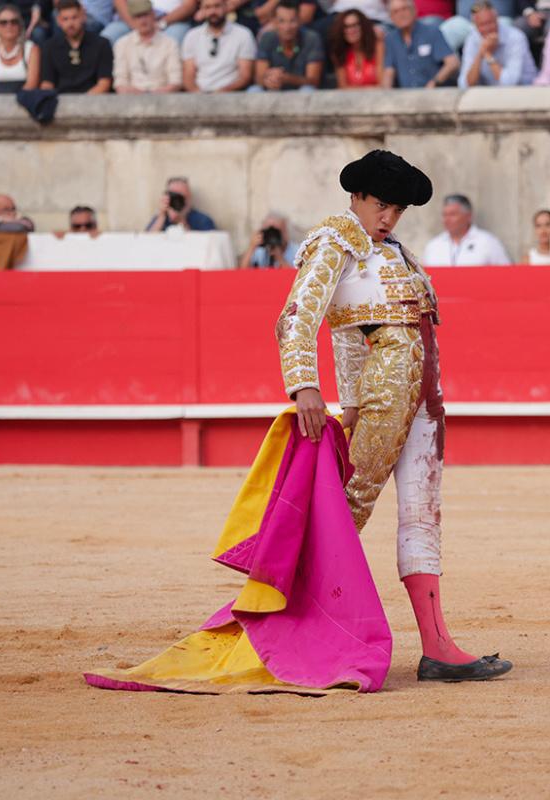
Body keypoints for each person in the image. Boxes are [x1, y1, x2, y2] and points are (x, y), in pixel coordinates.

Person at [276, 149, 514, 682]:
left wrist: (350, 398)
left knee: (422, 516)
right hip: (387, 396)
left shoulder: (394, 251)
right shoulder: (334, 240)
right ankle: (294, 628)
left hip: (424, 397)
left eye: (398, 209)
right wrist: (306, 386)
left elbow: (349, 329)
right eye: (380, 205)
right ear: (356, 198)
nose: (388, 218)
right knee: (345, 511)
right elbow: (298, 316)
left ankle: (438, 646)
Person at [40, 0, 114, 93]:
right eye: (65, 19)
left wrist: (81, 104)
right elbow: (47, 83)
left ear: (83, 16)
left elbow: (104, 83)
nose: (70, 24)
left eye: (74, 17)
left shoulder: (102, 44)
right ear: (58, 21)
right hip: (60, 103)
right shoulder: (49, 46)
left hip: (95, 102)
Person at [180, 0, 255, 92]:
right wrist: (199, 95)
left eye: (217, 6)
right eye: (208, 7)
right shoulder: (191, 36)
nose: (213, 12)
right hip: (199, 97)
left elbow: (245, 76)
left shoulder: (243, 34)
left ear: (226, 7)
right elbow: (188, 76)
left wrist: (221, 93)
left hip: (232, 95)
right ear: (201, 10)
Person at [459, 0, 537, 87]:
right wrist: (480, 54)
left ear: (497, 19)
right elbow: (464, 84)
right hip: (492, 93)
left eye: (490, 23)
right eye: (482, 25)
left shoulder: (515, 37)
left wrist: (488, 54)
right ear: (475, 25)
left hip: (525, 91)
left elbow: (510, 83)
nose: (487, 29)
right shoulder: (472, 39)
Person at [382, 0, 459, 88]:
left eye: (404, 9)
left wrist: (434, 82)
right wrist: (386, 94)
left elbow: (452, 63)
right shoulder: (391, 39)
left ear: (414, 10)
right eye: (396, 12)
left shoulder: (431, 32)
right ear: (391, 17)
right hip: (406, 96)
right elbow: (389, 72)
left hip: (434, 94)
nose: (401, 14)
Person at [251, 0, 323, 91]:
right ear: (274, 22)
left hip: (300, 92)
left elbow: (314, 81)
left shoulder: (312, 38)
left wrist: (287, 78)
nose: (287, 27)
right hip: (273, 89)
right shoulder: (267, 38)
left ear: (299, 21)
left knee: (307, 90)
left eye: (292, 21)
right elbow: (258, 78)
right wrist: (269, 79)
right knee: (254, 90)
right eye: (282, 21)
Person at [421, 194, 512, 266]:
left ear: (468, 216)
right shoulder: (433, 245)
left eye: (453, 214)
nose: (447, 219)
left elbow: (505, 274)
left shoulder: (488, 242)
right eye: (445, 215)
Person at [113, 0, 183, 92]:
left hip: (164, 98)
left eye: (146, 15)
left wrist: (157, 94)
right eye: (138, 16)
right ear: (132, 19)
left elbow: (176, 80)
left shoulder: (170, 43)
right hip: (131, 99)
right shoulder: (122, 44)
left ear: (153, 15)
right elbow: (120, 82)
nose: (143, 20)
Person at [0, 3, 41, 93]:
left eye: (14, 22)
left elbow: (32, 82)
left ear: (20, 25)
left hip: (24, 102)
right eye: (3, 22)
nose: (9, 25)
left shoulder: (32, 48)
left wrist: (16, 104)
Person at [328, 8, 384, 87]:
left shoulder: (378, 46)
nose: (351, 30)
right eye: (346, 27)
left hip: (378, 98)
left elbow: (382, 84)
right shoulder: (339, 52)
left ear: (363, 27)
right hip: (350, 99)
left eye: (355, 25)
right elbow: (343, 87)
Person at [102, 0, 195, 46]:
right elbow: (119, 1)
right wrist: (135, 24)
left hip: (171, 21)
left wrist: (161, 24)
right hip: (131, 18)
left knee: (173, 41)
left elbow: (189, 5)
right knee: (107, 38)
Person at [145, 176, 217, 231]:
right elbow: (146, 242)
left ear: (189, 198)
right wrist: (161, 216)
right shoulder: (161, 218)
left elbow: (207, 245)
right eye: (173, 196)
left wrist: (181, 221)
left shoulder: (203, 220)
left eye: (181, 197)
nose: (177, 200)